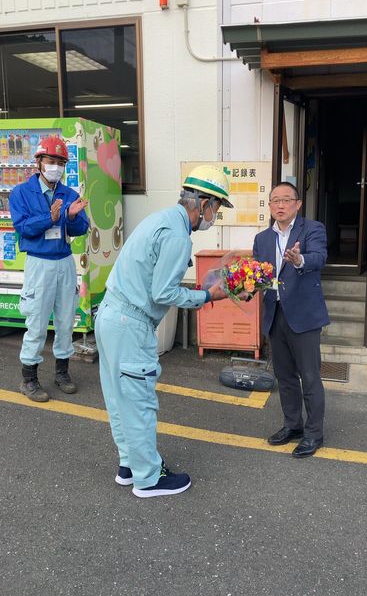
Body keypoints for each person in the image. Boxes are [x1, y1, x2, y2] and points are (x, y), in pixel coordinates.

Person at [94, 165, 237, 498]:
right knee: (139, 401)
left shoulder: (161, 219)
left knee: (119, 397)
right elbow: (163, 293)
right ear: (203, 203)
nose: (214, 216)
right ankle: (148, 478)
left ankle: (129, 465)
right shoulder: (177, 236)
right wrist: (208, 296)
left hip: (111, 316)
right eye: (216, 208)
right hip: (131, 325)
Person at [9, 135, 89, 403]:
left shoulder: (70, 194)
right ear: (39, 162)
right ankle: (29, 379)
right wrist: (51, 217)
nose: (56, 166)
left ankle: (62, 373)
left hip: (64, 262)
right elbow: (23, 228)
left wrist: (72, 217)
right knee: (37, 323)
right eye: (51, 161)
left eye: (61, 162)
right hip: (39, 263)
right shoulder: (21, 193)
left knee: (66, 322)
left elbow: (81, 228)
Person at [253, 181, 329, 458]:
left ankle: (314, 434)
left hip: (304, 316)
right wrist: (245, 286)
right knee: (284, 376)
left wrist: (299, 260)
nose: (281, 205)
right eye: (275, 200)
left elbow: (319, 257)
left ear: (298, 204)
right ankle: (292, 425)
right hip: (275, 313)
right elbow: (258, 274)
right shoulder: (262, 238)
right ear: (270, 205)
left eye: (286, 200)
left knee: (309, 377)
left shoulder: (312, 229)